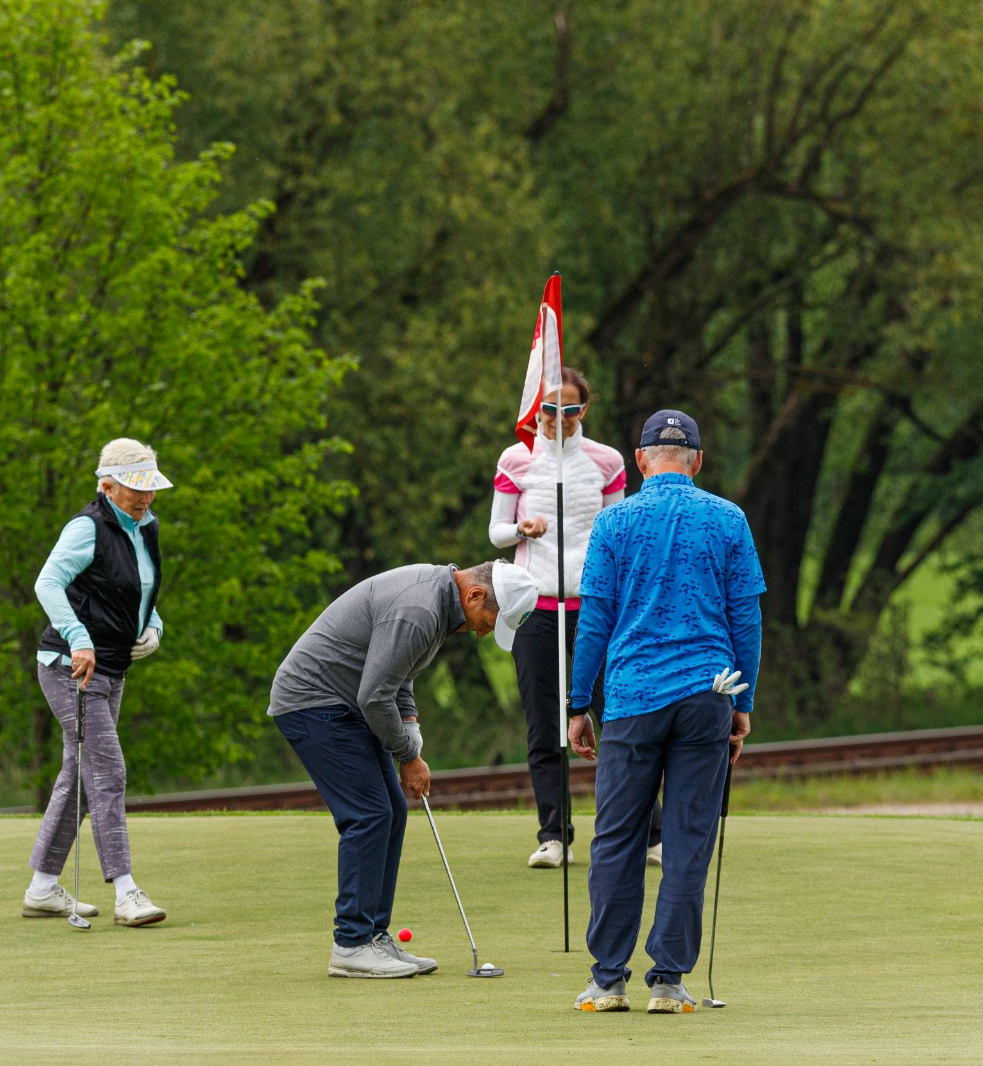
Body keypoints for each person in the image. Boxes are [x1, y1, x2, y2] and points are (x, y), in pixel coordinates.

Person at [566, 409, 765, 1014]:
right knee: (687, 837)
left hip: (633, 696)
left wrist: (578, 703)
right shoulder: (728, 518)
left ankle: (608, 979)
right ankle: (669, 981)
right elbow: (746, 620)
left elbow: (595, 619)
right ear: (697, 461)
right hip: (709, 691)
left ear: (640, 459)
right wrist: (743, 702)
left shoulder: (614, 521)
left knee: (617, 838)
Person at [270, 560, 540, 978]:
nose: (484, 633)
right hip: (314, 703)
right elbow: (375, 695)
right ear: (475, 595)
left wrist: (409, 725)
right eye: (489, 622)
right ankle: (351, 944)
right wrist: (408, 756)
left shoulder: (439, 603)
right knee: (368, 814)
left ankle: (373, 937)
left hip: (347, 704)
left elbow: (399, 673)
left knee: (391, 810)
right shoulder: (420, 610)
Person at [490, 367, 665, 869]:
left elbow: (620, 530)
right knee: (543, 724)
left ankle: (650, 834)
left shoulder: (605, 460)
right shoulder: (517, 458)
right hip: (536, 605)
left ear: (583, 410)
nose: (558, 418)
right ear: (537, 409)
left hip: (594, 607)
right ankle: (554, 836)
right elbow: (496, 530)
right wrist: (521, 528)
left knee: (619, 717)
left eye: (569, 409)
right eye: (549, 408)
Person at [20, 438, 173, 928]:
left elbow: (140, 591)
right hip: (71, 667)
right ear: (107, 487)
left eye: (150, 488)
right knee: (108, 771)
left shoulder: (147, 527)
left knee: (79, 778)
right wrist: (79, 637)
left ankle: (42, 888)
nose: (145, 497)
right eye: (135, 489)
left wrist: (153, 626)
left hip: (112, 668)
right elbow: (47, 582)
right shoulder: (87, 528)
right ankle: (126, 893)